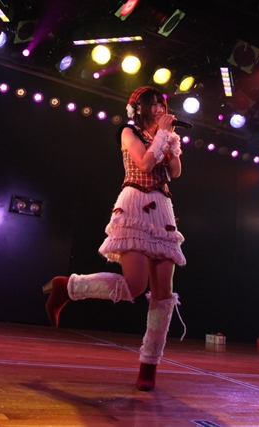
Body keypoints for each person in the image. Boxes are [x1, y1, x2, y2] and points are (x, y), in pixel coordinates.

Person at [43, 85, 186, 391]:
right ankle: (68, 287)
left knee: (163, 294)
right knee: (135, 286)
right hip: (135, 205)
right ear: (141, 108)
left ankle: (149, 365)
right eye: (154, 104)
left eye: (162, 104)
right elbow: (145, 164)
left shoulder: (164, 136)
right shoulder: (128, 132)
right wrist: (162, 135)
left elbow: (174, 172)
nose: (160, 109)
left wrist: (171, 140)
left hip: (163, 209)